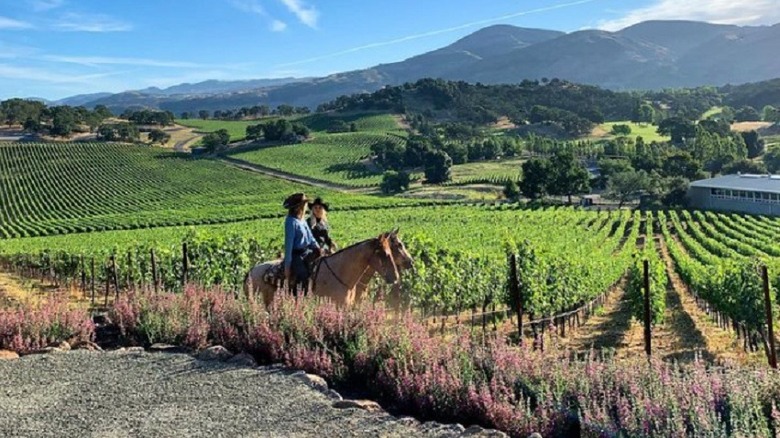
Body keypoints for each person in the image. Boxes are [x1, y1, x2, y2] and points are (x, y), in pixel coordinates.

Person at [283, 193, 321, 294]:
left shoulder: (302, 220)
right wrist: (288, 265)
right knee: (303, 276)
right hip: (296, 255)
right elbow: (289, 245)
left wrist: (317, 247)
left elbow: (310, 237)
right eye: (304, 204)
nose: (306, 206)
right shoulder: (291, 222)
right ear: (298, 207)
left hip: (307, 251)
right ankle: (297, 297)